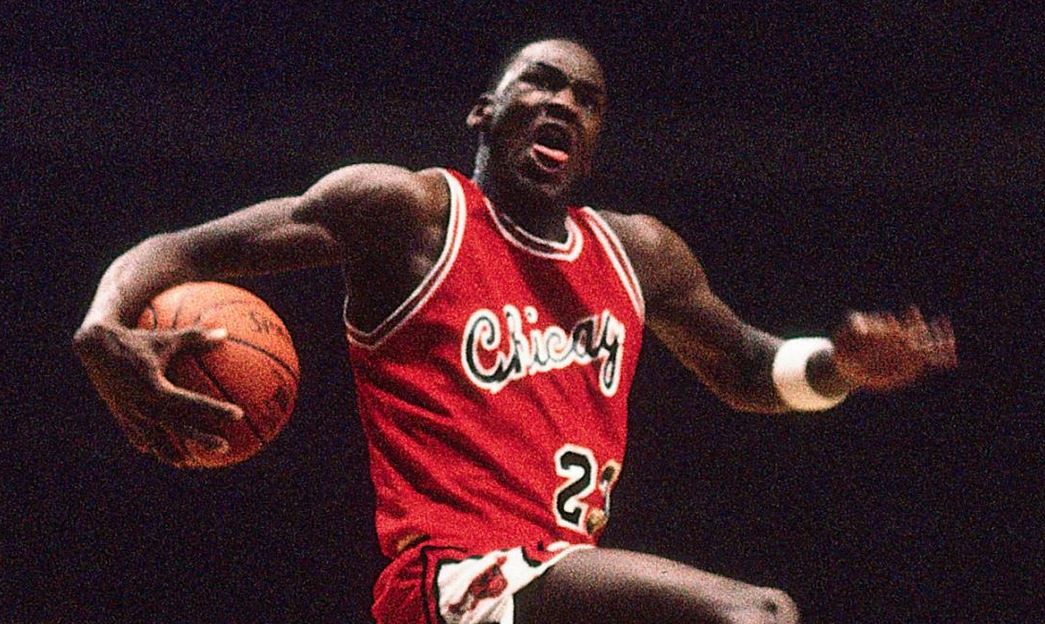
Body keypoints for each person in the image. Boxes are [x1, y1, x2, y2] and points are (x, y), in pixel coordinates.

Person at [74, 39, 957, 624]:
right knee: (756, 614)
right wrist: (103, 322)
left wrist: (840, 365)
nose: (563, 102)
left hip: (549, 582)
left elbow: (748, 368)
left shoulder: (639, 255)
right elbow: (184, 249)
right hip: (453, 584)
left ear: (594, 140)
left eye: (587, 99)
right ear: (484, 111)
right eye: (540, 82)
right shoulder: (410, 216)